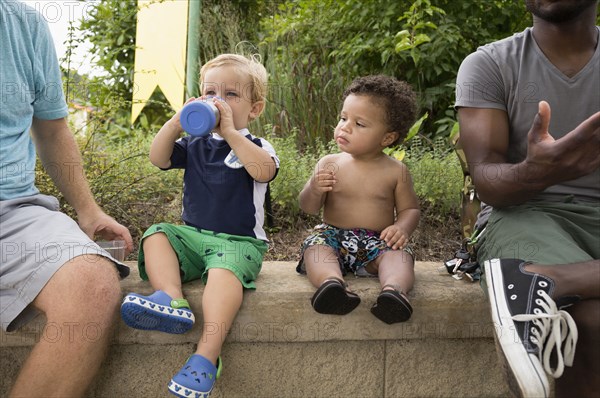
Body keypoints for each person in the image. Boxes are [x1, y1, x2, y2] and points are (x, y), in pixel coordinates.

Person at [455, 1, 599, 397]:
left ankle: (542, 279)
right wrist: (542, 171)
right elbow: (486, 181)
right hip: (527, 212)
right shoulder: (489, 63)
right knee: (590, 320)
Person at [120, 53, 279, 398]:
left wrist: (230, 132)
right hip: (193, 238)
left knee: (224, 272)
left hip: (238, 244)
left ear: (255, 108)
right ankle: (172, 299)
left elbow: (264, 171)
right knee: (158, 234)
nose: (218, 102)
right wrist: (177, 122)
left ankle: (206, 358)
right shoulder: (194, 143)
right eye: (210, 93)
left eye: (231, 95)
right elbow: (158, 157)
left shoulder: (256, 145)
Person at [0, 1, 134, 397]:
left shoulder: (24, 24)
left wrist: (88, 210)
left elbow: (53, 129)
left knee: (92, 283)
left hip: (12, 212)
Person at [297, 75, 420, 324]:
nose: (344, 127)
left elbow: (410, 210)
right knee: (316, 248)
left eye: (359, 124)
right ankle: (331, 284)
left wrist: (401, 227)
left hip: (377, 242)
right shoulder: (329, 164)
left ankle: (393, 292)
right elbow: (308, 207)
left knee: (399, 256)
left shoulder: (396, 171)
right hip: (334, 236)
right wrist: (314, 188)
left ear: (387, 138)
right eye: (343, 118)